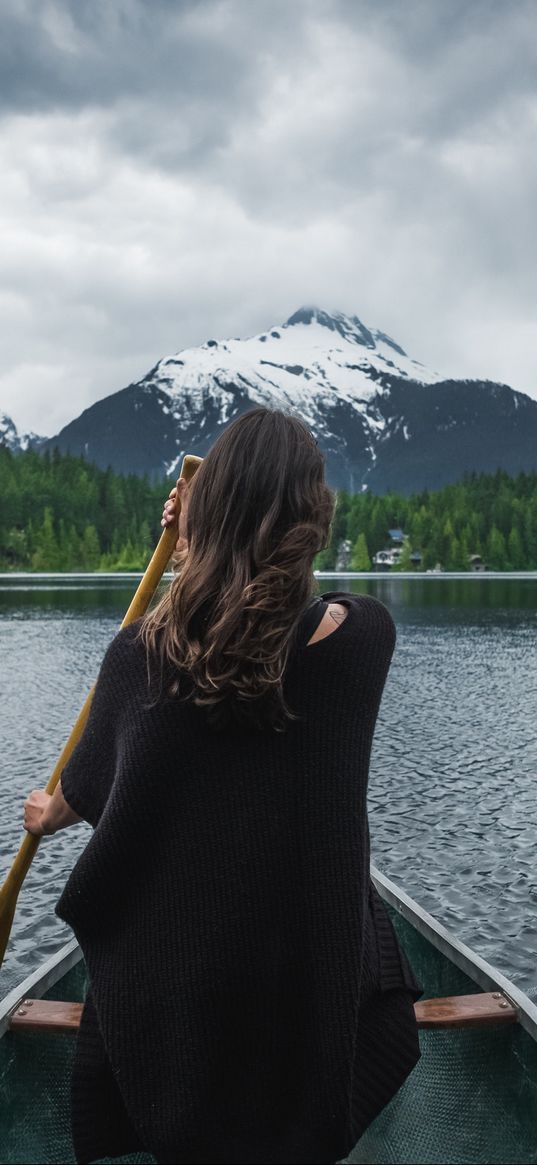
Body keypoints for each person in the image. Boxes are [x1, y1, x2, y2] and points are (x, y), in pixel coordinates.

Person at [24, 407, 421, 1165]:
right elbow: (301, 615)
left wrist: (187, 548)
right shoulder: (364, 642)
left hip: (177, 1008)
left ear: (203, 520)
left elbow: (93, 785)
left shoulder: (139, 656)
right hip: (304, 997)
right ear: (311, 521)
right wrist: (211, 537)